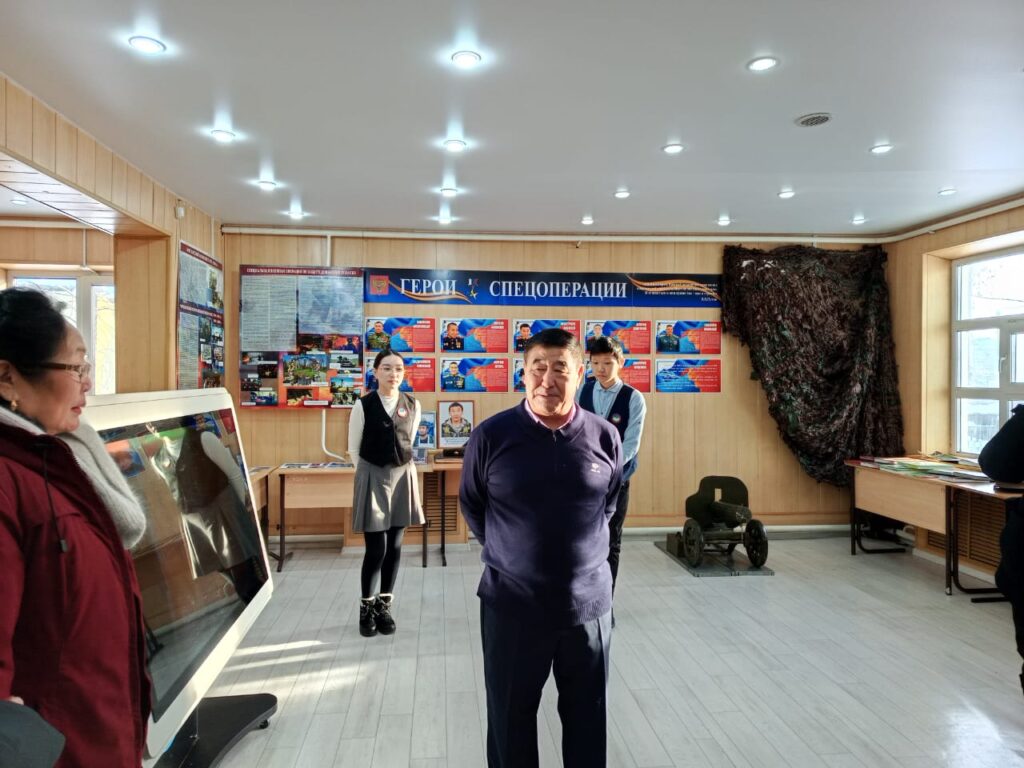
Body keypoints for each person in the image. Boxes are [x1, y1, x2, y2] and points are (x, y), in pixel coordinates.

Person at [0, 288, 151, 767]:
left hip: (99, 726)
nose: (88, 384)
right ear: (7, 376)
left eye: (88, 367)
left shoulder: (65, 457)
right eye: (75, 368)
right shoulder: (10, 478)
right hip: (56, 745)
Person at [460, 328, 622, 768]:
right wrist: (512, 553)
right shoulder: (491, 436)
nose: (547, 380)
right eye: (538, 368)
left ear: (580, 374)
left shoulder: (605, 436)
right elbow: (473, 504)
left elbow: (608, 505)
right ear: (524, 373)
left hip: (588, 609)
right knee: (510, 722)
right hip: (513, 606)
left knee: (588, 721)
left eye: (560, 369)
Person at [348, 347, 425, 637]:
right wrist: (368, 476)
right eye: (387, 368)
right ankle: (366, 608)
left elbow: (408, 440)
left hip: (402, 475)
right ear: (376, 372)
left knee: (394, 546)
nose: (394, 374)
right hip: (372, 474)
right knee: (376, 548)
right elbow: (353, 449)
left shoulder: (413, 404)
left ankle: (384, 607)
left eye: (399, 369)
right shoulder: (363, 405)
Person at [577, 337, 647, 603]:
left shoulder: (633, 398)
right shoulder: (582, 392)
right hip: (584, 481)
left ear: (621, 362)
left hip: (617, 480)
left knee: (611, 542)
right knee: (582, 540)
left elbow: (631, 443)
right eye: (595, 363)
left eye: (607, 363)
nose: (601, 369)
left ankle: (605, 604)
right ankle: (583, 600)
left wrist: (607, 470)